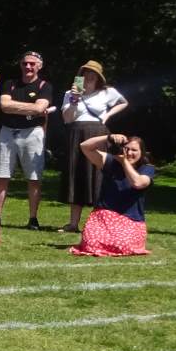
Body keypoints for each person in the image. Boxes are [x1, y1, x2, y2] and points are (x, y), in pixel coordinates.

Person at [60, 60, 128, 232]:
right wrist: (74, 100)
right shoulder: (70, 93)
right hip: (76, 134)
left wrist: (107, 116)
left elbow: (123, 102)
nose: (89, 76)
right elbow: (67, 119)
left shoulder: (107, 92)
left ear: (99, 77)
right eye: (86, 73)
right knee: (77, 174)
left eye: (93, 74)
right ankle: (73, 223)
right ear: (81, 75)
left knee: (98, 176)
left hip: (98, 135)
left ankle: (98, 223)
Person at [0, 50, 55, 229]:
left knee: (34, 177)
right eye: (24, 63)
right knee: (2, 175)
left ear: (39, 66)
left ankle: (33, 219)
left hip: (32, 133)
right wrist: (31, 108)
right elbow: (4, 105)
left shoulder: (44, 86)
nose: (28, 66)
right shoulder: (10, 84)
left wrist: (19, 107)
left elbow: (40, 108)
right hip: (7, 132)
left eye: (32, 64)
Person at [72, 132, 155, 257]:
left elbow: (137, 183)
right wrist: (108, 137)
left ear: (141, 153)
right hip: (103, 218)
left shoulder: (147, 169)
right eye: (126, 149)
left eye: (134, 150)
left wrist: (124, 162)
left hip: (131, 220)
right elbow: (85, 146)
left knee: (123, 245)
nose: (129, 153)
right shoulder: (110, 161)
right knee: (91, 243)